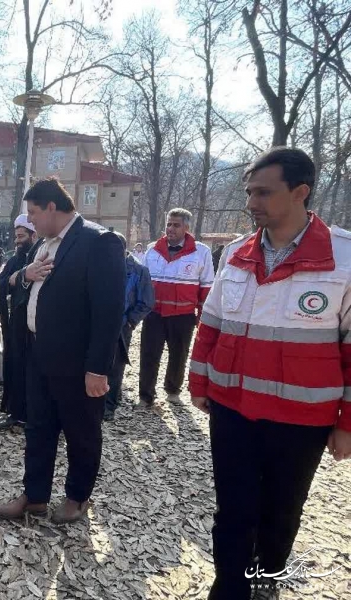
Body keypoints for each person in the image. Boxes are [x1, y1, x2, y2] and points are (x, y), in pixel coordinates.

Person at [188, 148, 351, 600]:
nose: (251, 202)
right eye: (248, 192)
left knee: (282, 509)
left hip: (302, 419)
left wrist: (346, 424)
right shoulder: (237, 254)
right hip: (233, 408)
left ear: (300, 192)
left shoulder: (344, 259)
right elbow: (213, 325)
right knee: (233, 507)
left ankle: (269, 575)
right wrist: (199, 382)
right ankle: (230, 585)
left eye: (263, 192)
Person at [0, 178, 125, 524]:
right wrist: (24, 274)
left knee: (81, 432)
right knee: (38, 428)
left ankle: (77, 497)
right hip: (39, 355)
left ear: (52, 207)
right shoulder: (44, 246)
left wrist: (98, 368)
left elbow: (109, 311)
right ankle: (35, 495)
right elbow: (26, 287)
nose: (30, 221)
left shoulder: (99, 242)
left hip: (78, 363)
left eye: (34, 213)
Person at [138, 208, 214, 407]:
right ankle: (145, 396)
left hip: (183, 315)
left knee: (179, 355)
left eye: (176, 225)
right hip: (154, 314)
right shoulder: (152, 249)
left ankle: (173, 391)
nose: (170, 229)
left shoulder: (201, 252)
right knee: (148, 354)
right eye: (168, 224)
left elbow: (206, 286)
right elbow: (143, 283)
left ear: (186, 227)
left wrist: (202, 317)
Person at [103, 232, 155, 422]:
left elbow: (146, 302)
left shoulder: (139, 270)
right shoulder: (100, 265)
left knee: (116, 366)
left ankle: (109, 405)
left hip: (122, 324)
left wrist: (131, 321)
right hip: (99, 322)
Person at [0, 215, 37, 430]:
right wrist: (13, 280)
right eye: (16, 236)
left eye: (21, 236)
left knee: (32, 373)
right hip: (14, 327)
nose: (17, 241)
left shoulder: (40, 257)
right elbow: (2, 284)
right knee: (15, 368)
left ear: (33, 235)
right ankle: (15, 412)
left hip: (34, 330)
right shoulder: (13, 260)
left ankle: (32, 416)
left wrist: (16, 280)